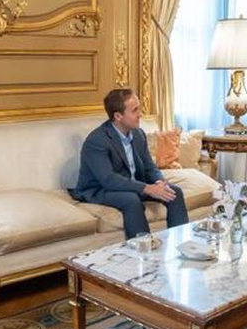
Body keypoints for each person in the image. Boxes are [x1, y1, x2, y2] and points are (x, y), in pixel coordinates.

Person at [70, 88, 188, 238]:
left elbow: (149, 167)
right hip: (99, 189)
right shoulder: (97, 141)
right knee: (131, 199)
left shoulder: (138, 134)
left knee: (174, 192)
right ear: (118, 116)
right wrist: (146, 188)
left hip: (132, 185)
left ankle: (181, 244)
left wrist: (159, 182)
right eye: (135, 110)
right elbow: (108, 180)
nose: (140, 114)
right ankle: (143, 248)